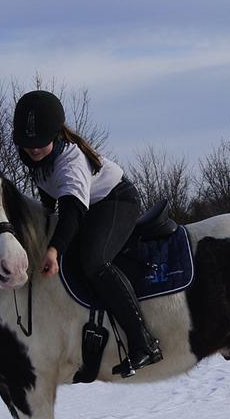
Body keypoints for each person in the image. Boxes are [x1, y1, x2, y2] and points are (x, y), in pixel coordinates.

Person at [12, 89, 163, 377]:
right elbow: (51, 198)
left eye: (40, 143)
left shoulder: (71, 161)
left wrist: (54, 249)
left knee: (95, 261)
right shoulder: (35, 159)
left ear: (55, 134)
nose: (33, 149)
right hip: (89, 206)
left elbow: (72, 212)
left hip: (116, 201)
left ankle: (143, 342)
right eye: (28, 144)